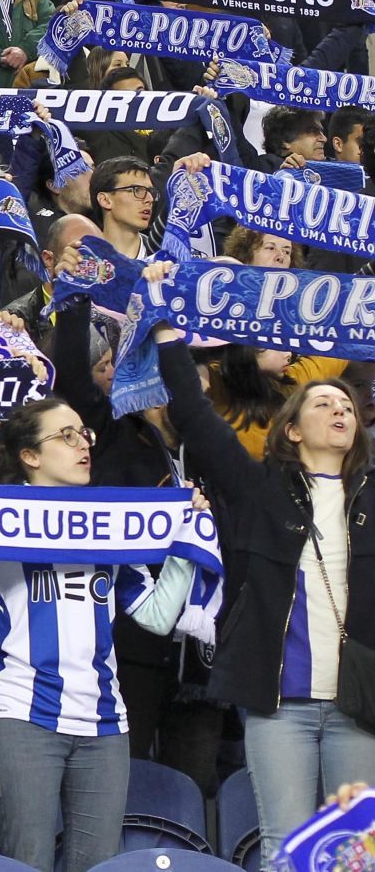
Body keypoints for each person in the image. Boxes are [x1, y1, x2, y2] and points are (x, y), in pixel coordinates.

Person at [0, 398, 203, 872]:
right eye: (66, 436)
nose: (83, 445)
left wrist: (186, 543)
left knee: (97, 867)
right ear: (30, 456)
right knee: (28, 864)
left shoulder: (110, 525)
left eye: (85, 434)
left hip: (105, 722)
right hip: (21, 715)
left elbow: (157, 616)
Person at [151, 264, 375, 864]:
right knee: (285, 844)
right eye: (323, 402)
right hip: (279, 703)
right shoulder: (257, 491)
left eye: (346, 405)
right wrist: (167, 332)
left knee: (356, 853)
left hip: (360, 704)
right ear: (292, 430)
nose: (339, 410)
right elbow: (196, 417)